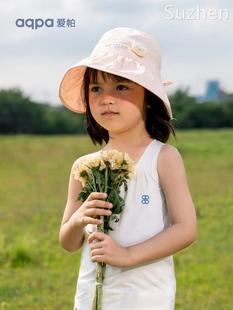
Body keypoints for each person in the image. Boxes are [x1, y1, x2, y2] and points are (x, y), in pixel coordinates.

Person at [58, 27, 197, 310]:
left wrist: (128, 255)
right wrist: (79, 219)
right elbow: (69, 242)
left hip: (146, 296)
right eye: (96, 88)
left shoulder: (163, 157)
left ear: (148, 96)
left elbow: (185, 229)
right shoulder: (84, 167)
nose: (106, 98)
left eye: (121, 86)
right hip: (92, 296)